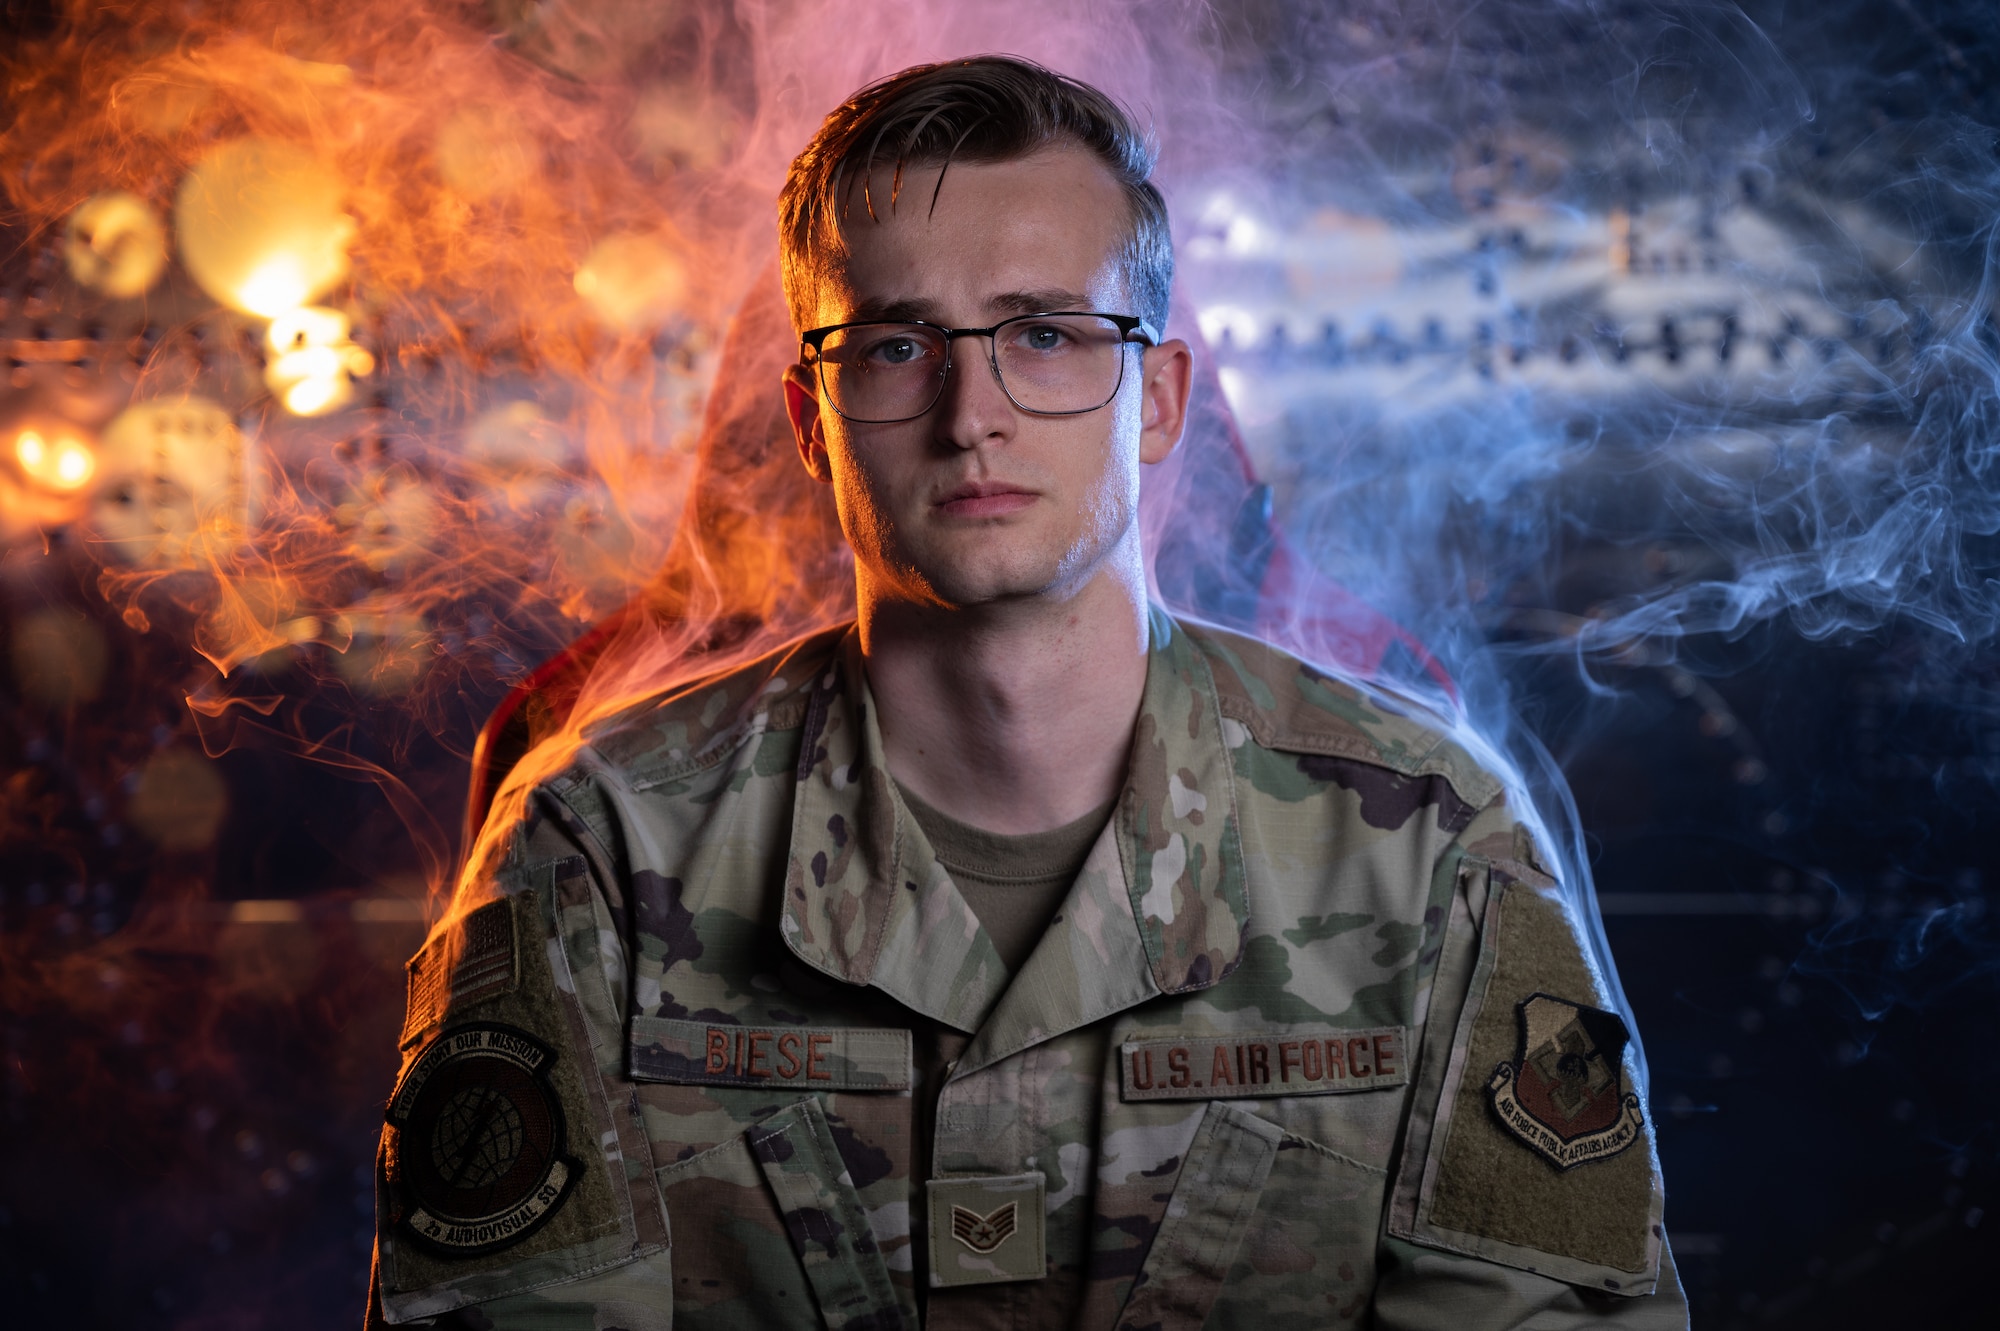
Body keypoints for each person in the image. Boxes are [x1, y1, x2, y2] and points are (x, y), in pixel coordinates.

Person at [368, 56, 1689, 1330]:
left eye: (1049, 335)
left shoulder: (1426, 838)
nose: (971, 413)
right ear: (808, 417)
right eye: (895, 347)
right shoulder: (596, 846)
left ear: (1158, 398)